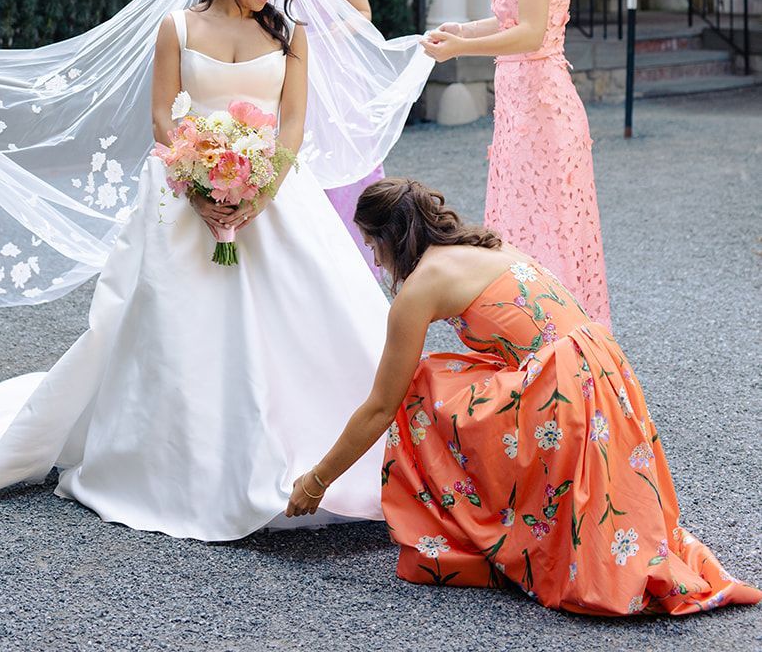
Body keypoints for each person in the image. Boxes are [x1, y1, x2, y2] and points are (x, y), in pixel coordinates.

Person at [0, 0, 392, 539]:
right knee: (177, 322)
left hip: (274, 191)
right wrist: (200, 187)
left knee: (314, 315)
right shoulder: (178, 27)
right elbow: (162, 116)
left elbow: (292, 121)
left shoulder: (291, 34)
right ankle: (173, 459)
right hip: (186, 190)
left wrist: (262, 191)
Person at [287, 178, 760, 618]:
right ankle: (516, 520)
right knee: (455, 375)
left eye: (372, 246)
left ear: (389, 238)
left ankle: (469, 532)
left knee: (420, 389)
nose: (375, 261)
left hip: (562, 389)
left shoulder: (421, 286)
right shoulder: (484, 246)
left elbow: (380, 406)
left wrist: (317, 480)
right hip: (603, 372)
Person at [420, 0, 610, 327]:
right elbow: (509, 19)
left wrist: (461, 50)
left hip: (544, 108)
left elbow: (529, 33)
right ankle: (525, 326)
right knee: (519, 219)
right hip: (517, 109)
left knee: (550, 223)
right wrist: (463, 29)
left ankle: (561, 331)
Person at [275, 0, 383, 271]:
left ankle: (352, 261)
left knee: (343, 162)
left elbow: (362, 12)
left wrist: (332, 33)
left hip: (333, 73)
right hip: (283, 68)